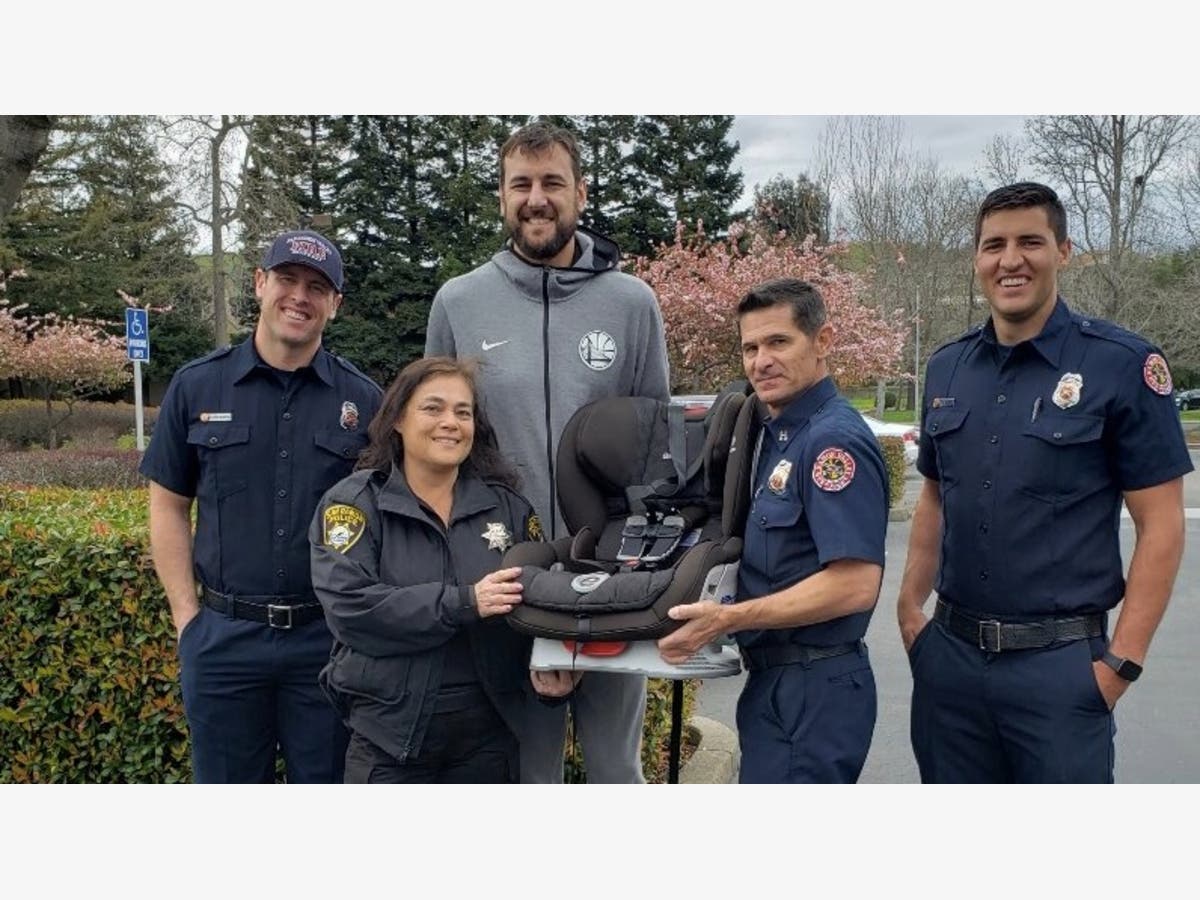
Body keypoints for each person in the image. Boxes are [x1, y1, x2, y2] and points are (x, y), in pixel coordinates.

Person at [896, 182, 1192, 783]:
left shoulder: (1121, 365)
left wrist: (1121, 665)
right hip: (949, 664)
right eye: (993, 245)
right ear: (977, 259)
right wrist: (909, 612)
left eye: (1030, 241)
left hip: (1061, 672)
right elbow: (933, 495)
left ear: (1064, 251)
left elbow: (1162, 524)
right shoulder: (946, 366)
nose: (1010, 260)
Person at [424, 121, 671, 784]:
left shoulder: (631, 304)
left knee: (618, 774)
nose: (537, 198)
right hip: (506, 588)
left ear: (580, 193)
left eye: (552, 182)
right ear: (502, 198)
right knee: (525, 779)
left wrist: (649, 571)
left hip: (614, 585)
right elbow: (436, 451)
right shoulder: (458, 302)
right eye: (521, 184)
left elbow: (656, 457)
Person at [140, 229, 383, 783]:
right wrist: (187, 620)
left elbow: (382, 520)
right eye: (288, 279)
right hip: (224, 639)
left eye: (318, 287)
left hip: (326, 644)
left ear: (335, 306)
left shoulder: (363, 401)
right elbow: (168, 505)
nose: (300, 296)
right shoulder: (197, 386)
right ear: (259, 284)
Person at [657, 278, 888, 783]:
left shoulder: (831, 442)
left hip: (814, 688)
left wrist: (730, 619)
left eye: (779, 342)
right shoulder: (774, 433)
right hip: (779, 682)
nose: (761, 360)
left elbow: (854, 583)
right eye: (750, 347)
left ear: (823, 341)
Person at [309, 357, 574, 782]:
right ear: (396, 419)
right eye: (433, 408)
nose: (450, 422)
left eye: (462, 412)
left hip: (489, 739)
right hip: (390, 740)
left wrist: (554, 665)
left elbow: (542, 599)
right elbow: (350, 607)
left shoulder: (507, 508)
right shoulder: (355, 504)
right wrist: (466, 601)